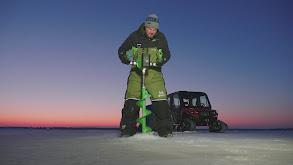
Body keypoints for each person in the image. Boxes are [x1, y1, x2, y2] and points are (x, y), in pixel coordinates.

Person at [118, 14, 173, 138]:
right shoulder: (134, 36)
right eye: (150, 29)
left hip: (154, 74)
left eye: (155, 30)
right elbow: (122, 49)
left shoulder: (161, 38)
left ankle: (165, 130)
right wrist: (124, 58)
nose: (152, 32)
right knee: (131, 100)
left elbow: (167, 53)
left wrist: (161, 60)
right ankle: (127, 129)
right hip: (136, 73)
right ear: (145, 26)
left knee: (161, 101)